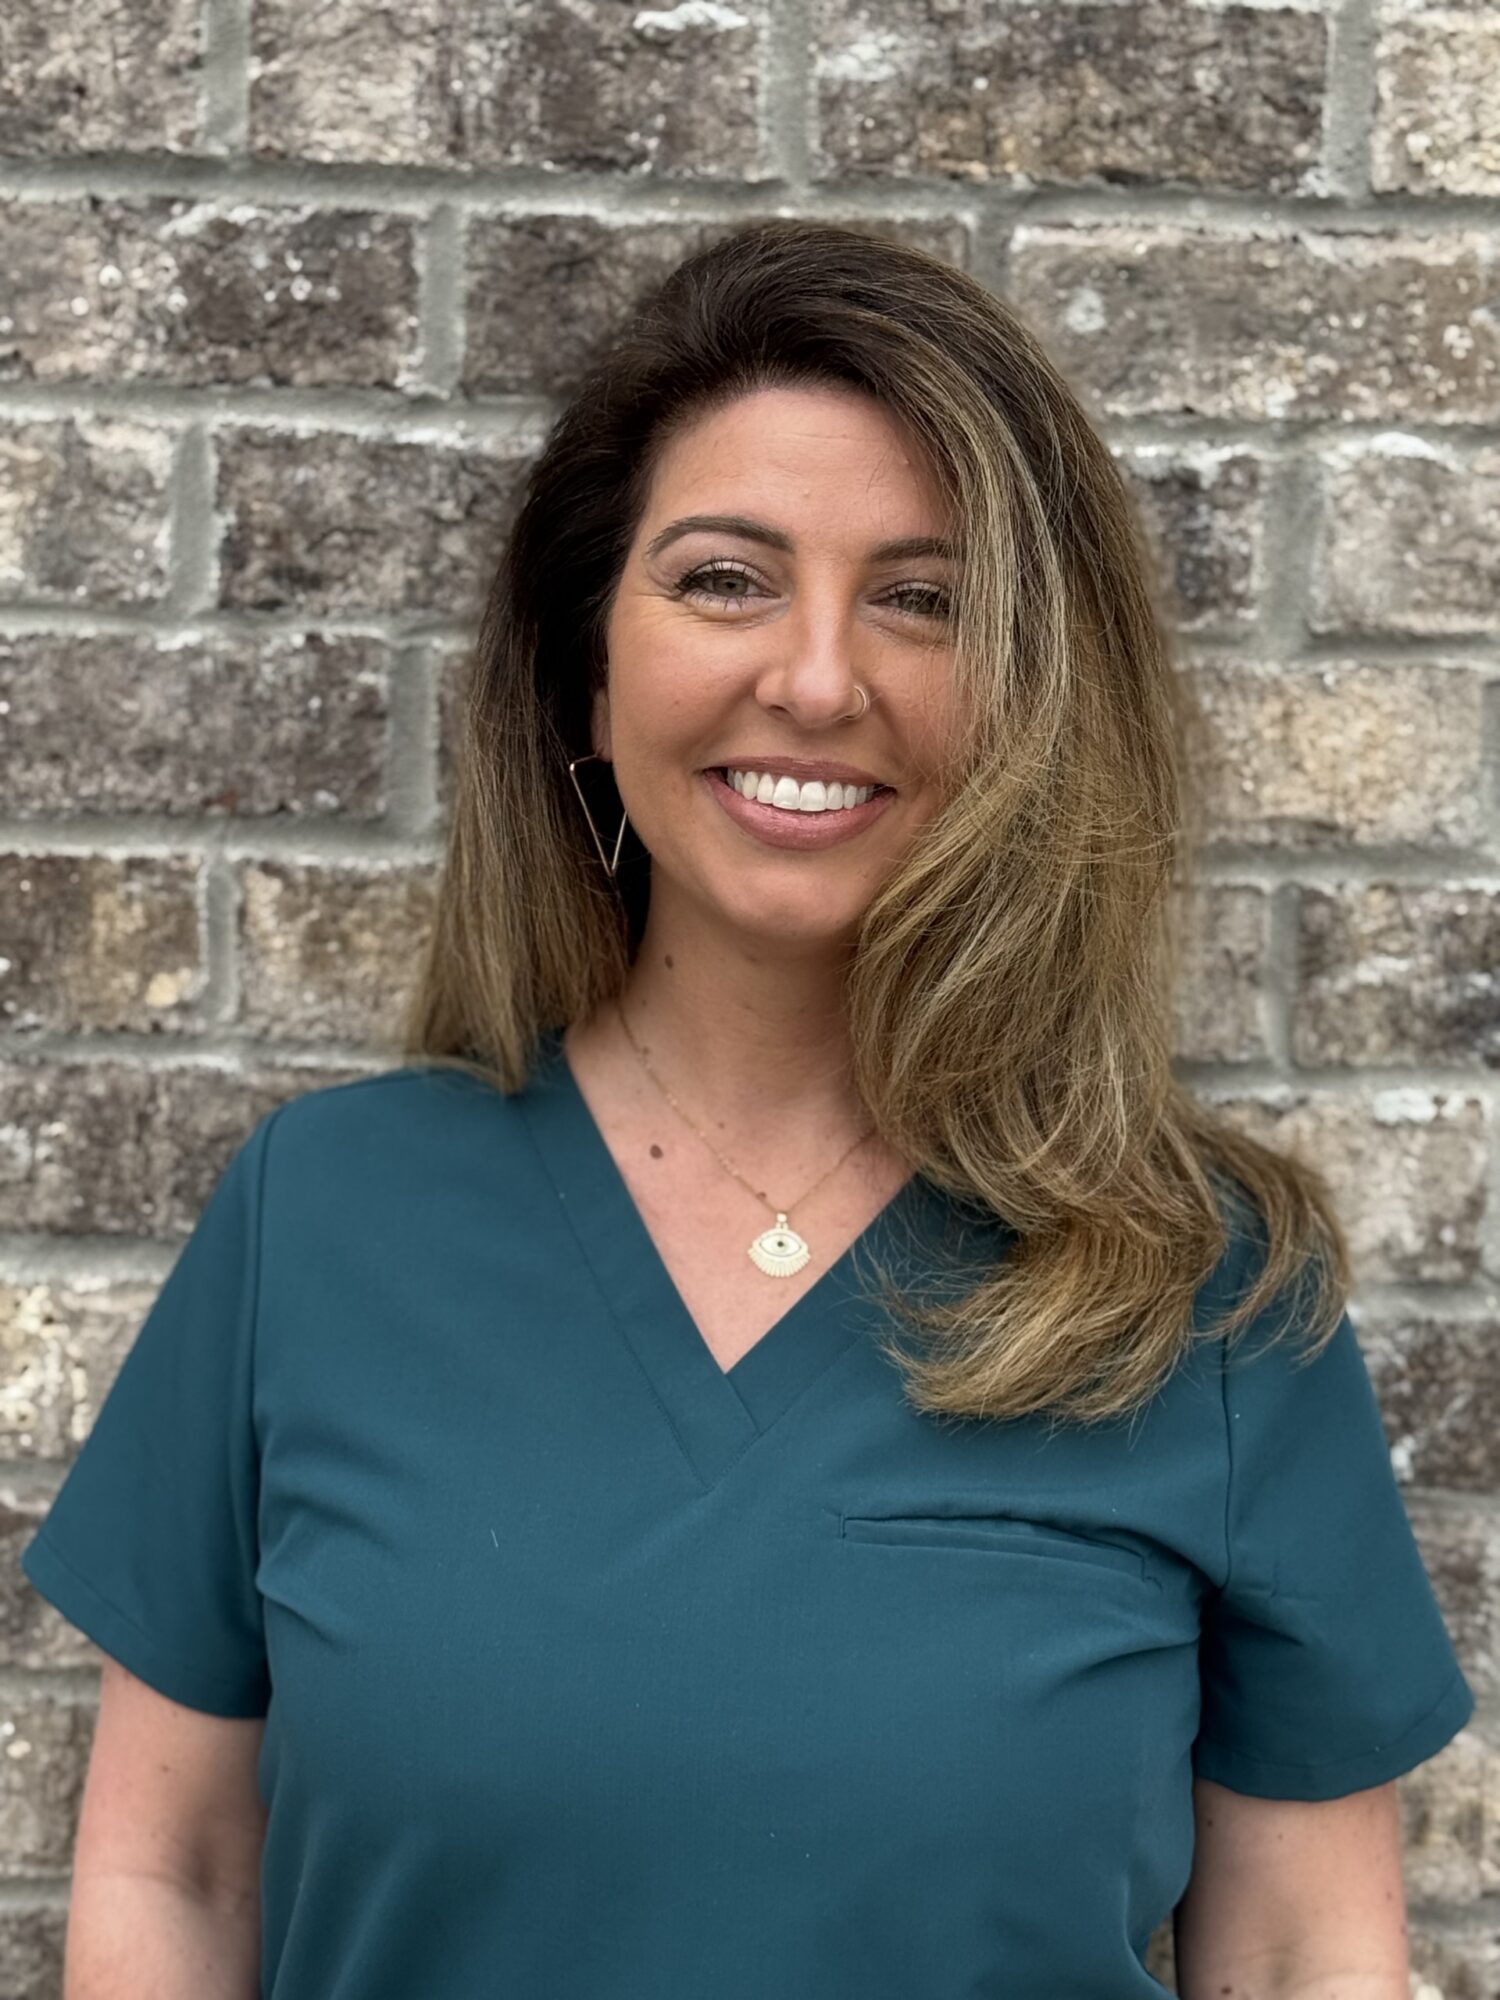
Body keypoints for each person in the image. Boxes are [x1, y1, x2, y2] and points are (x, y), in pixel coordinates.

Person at [20, 219, 1473, 1998]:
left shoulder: (1207, 1291)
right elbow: (176, 1878)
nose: (814, 677)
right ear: (586, 665)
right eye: (724, 579)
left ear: (1035, 697)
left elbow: (1303, 1955)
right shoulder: (319, 1219)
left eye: (924, 599)